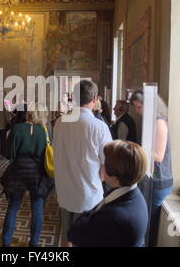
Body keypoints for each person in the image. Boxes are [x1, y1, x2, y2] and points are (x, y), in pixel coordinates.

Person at [53, 80, 113, 246]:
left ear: (73, 98)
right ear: (95, 98)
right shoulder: (99, 127)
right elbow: (107, 164)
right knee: (86, 240)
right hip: (89, 193)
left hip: (64, 191)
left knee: (66, 237)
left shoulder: (59, 122)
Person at [68, 140, 148, 247]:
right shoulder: (133, 194)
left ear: (114, 175)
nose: (102, 165)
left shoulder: (114, 216)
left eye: (105, 163)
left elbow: (75, 233)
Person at [1, 103, 54, 247]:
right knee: (37, 207)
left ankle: (6, 242)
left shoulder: (17, 129)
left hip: (18, 170)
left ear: (29, 112)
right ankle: (34, 242)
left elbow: (8, 154)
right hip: (37, 173)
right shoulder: (45, 131)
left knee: (13, 206)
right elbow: (46, 155)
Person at [130, 90, 173, 247]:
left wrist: (135, 149)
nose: (137, 111)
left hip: (159, 180)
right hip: (151, 179)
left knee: (149, 224)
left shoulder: (159, 122)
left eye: (139, 107)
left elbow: (158, 156)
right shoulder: (152, 121)